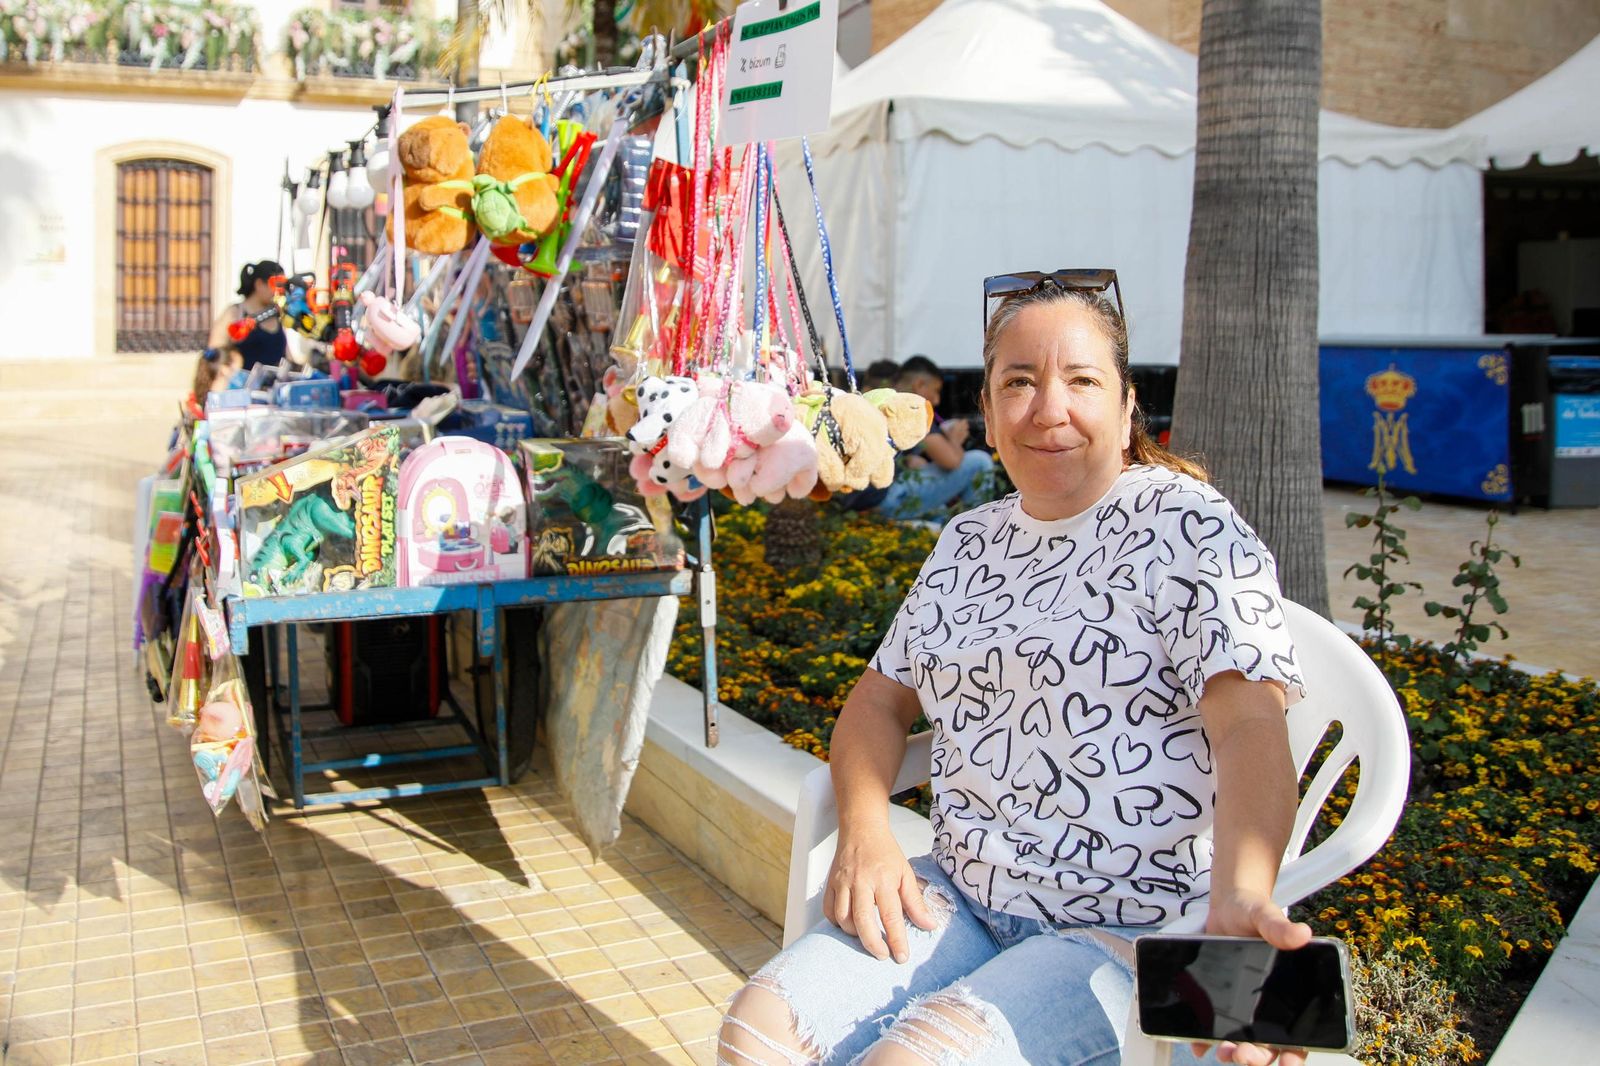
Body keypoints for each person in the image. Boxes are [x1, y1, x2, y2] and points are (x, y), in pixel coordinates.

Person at [718, 278, 1313, 1066]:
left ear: (1129, 406)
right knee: (755, 1030)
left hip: (1128, 924)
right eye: (1019, 383)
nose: (1048, 407)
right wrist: (866, 831)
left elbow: (1249, 723)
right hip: (962, 897)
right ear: (990, 417)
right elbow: (877, 704)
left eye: (1082, 380)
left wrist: (1240, 898)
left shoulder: (1186, 525)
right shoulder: (969, 541)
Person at [879, 355, 995, 523]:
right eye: (936, 390)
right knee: (980, 462)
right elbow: (951, 461)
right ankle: (978, 530)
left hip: (873, 496)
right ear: (919, 384)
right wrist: (954, 438)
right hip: (891, 498)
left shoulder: (885, 399)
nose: (937, 400)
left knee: (940, 512)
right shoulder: (912, 408)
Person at [209, 261, 289, 371]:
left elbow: (286, 354)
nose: (280, 291)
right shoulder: (235, 313)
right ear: (259, 284)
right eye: (277, 285)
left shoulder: (277, 313)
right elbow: (214, 352)